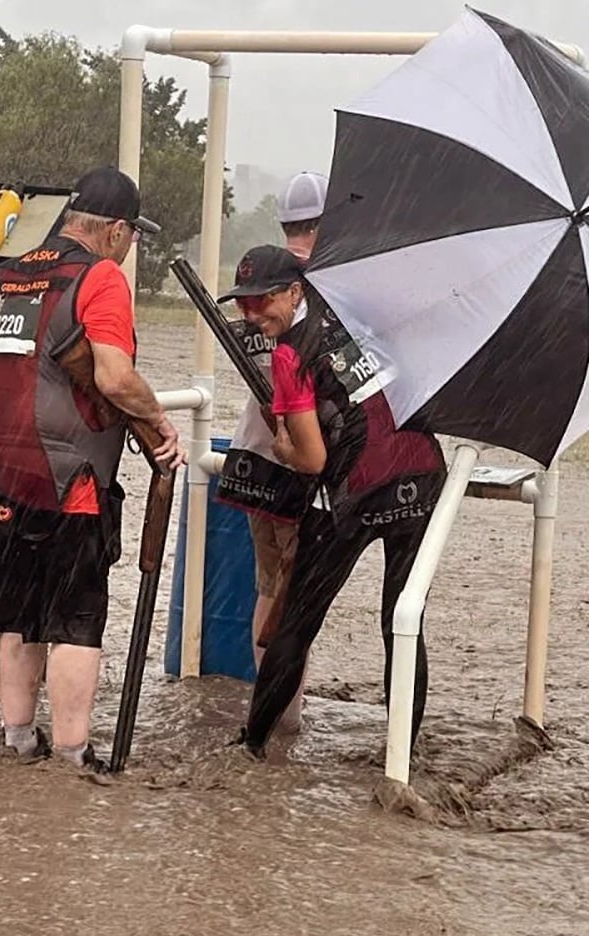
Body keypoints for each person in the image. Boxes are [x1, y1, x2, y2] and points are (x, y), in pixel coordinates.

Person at [0, 165, 184, 783]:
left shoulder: (7, 275)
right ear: (117, 231)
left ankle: (18, 740)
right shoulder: (100, 278)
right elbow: (112, 376)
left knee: (19, 614)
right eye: (132, 237)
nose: (130, 248)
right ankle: (75, 759)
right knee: (76, 618)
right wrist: (158, 420)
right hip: (64, 475)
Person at [221, 245, 447, 758]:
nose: (254, 314)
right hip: (423, 476)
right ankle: (400, 757)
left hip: (354, 491)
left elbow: (312, 459)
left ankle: (251, 747)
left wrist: (281, 443)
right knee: (403, 621)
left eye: (264, 301)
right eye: (244, 304)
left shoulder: (289, 355)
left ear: (296, 291)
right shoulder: (359, 313)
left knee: (298, 619)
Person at [216, 171, 329, 733]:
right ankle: (288, 716)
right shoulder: (321, 286)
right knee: (297, 595)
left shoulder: (256, 277)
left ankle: (275, 710)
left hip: (252, 459)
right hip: (305, 464)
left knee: (269, 588)